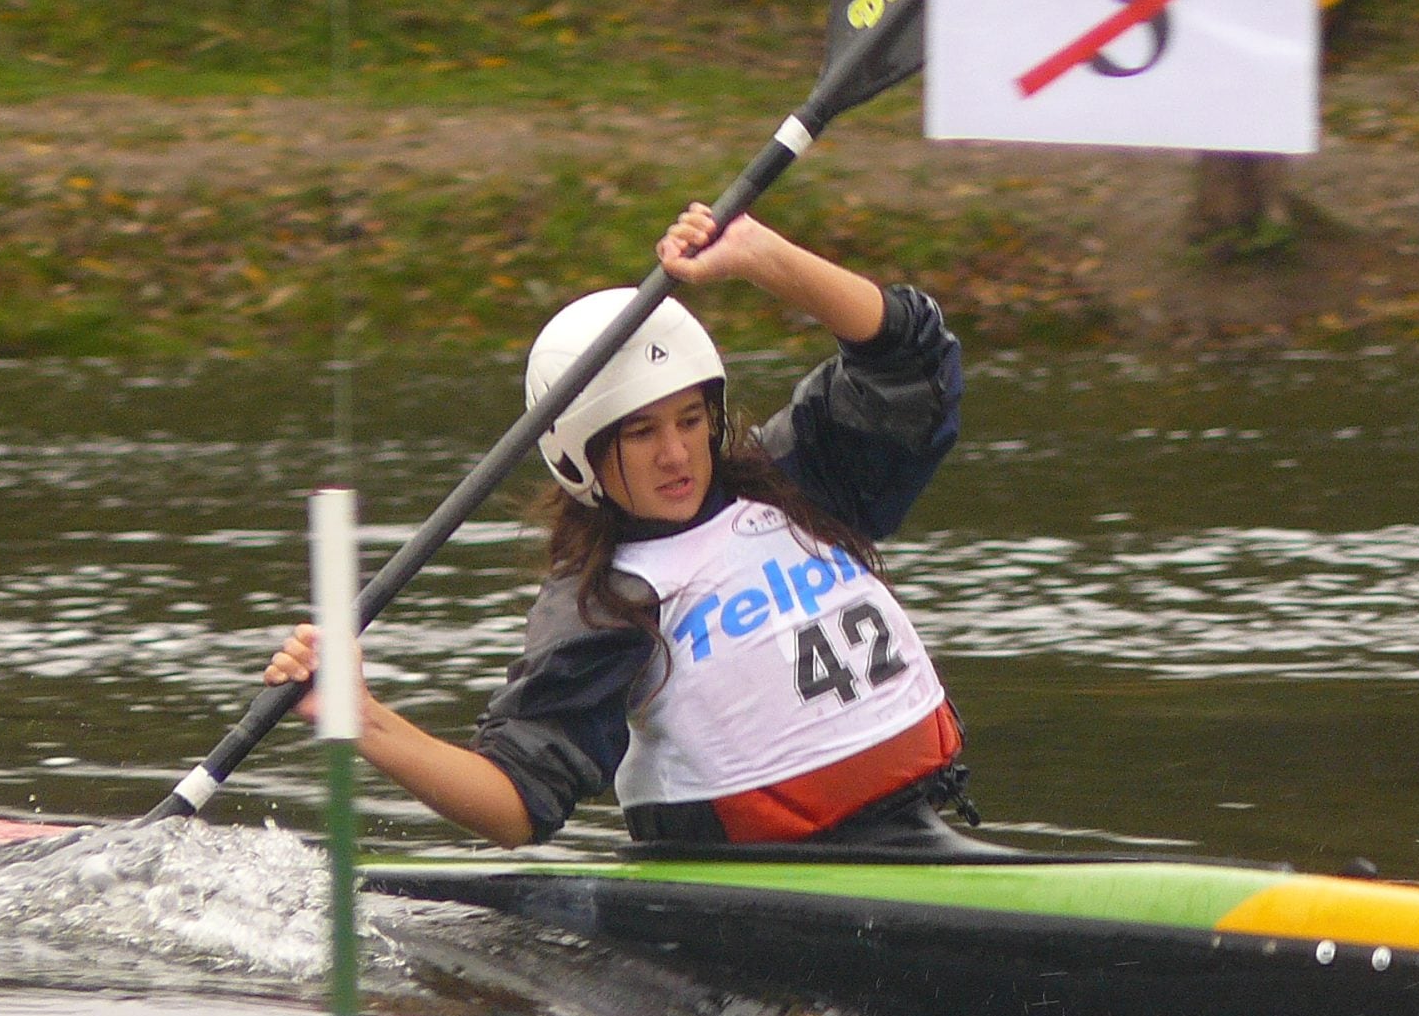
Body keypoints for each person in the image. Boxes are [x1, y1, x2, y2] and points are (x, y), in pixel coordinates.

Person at [264, 201, 972, 849]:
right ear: (580, 455)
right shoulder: (606, 601)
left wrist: (764, 257)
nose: (676, 454)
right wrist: (362, 719)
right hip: (764, 871)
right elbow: (518, 799)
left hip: (917, 827)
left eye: (691, 420)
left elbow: (910, 356)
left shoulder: (799, 479)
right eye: (640, 434)